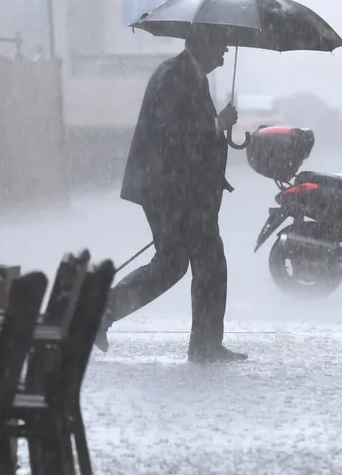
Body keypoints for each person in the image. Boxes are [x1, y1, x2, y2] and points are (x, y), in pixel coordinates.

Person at [95, 28, 246, 363]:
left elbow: (190, 134)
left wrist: (216, 130)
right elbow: (170, 134)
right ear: (201, 41)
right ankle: (102, 313)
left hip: (185, 191)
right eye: (220, 41)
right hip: (169, 190)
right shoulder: (173, 75)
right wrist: (216, 126)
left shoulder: (192, 76)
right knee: (186, 262)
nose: (225, 49)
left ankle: (203, 343)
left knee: (192, 262)